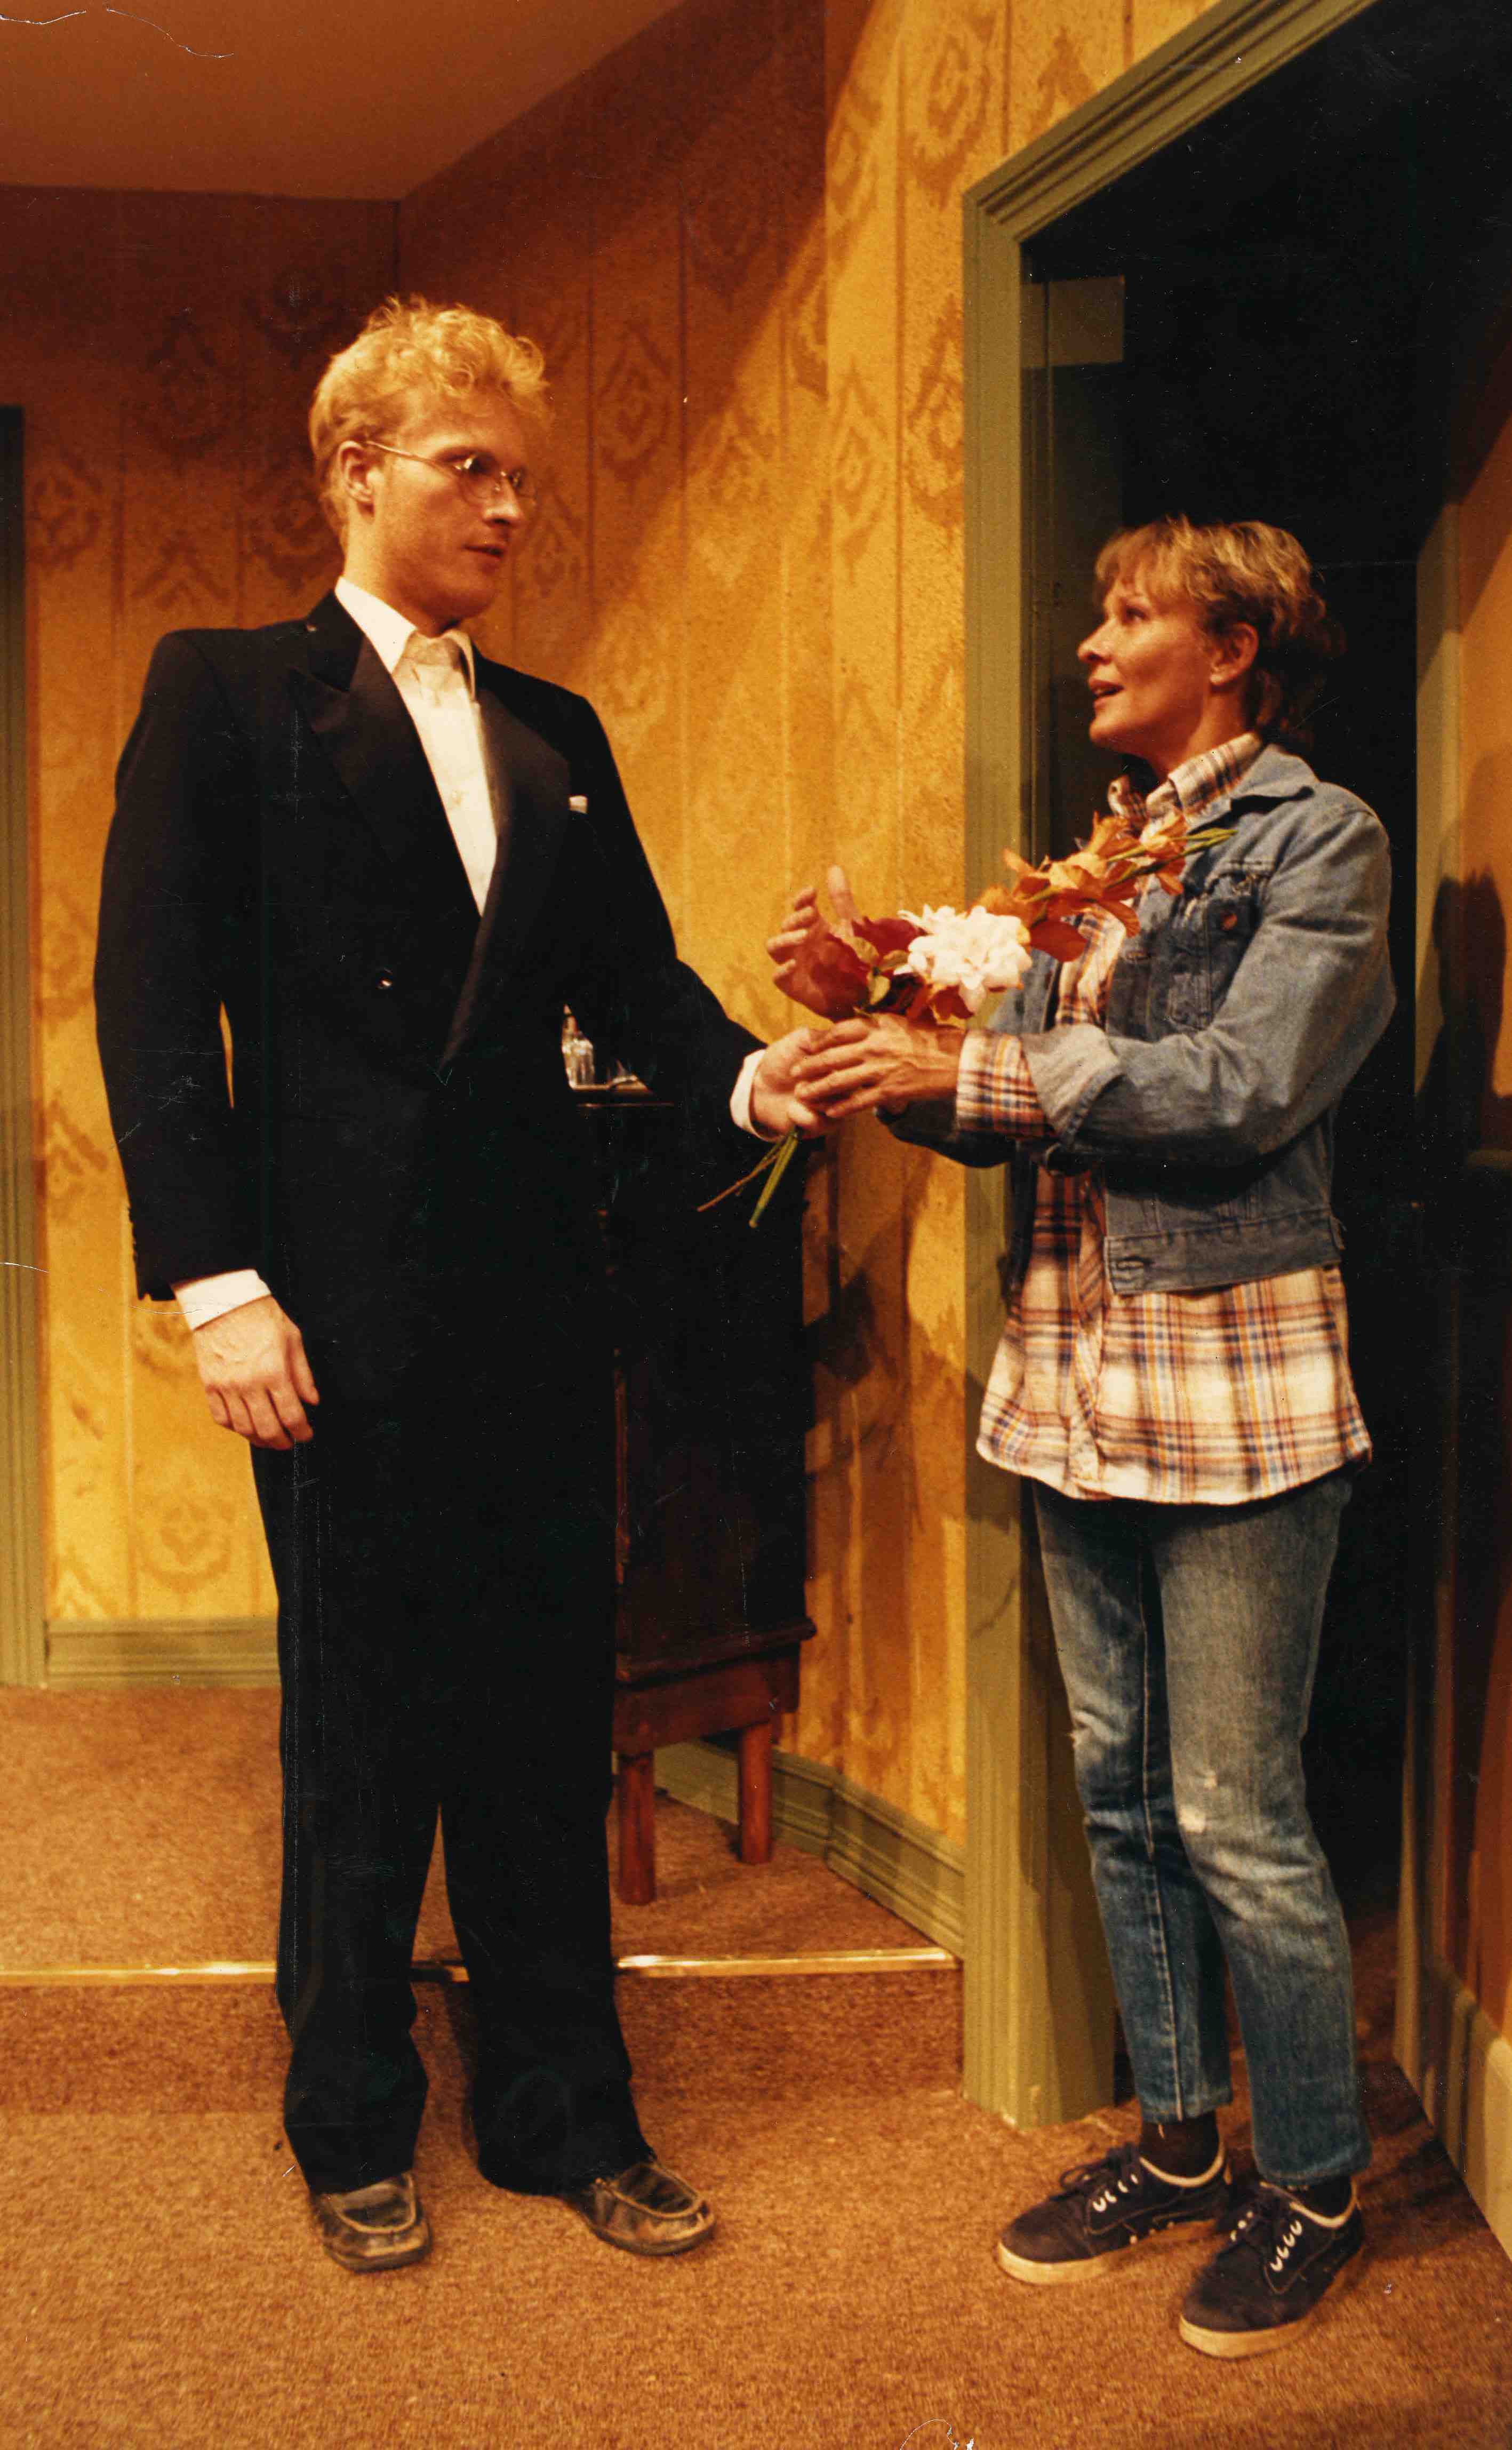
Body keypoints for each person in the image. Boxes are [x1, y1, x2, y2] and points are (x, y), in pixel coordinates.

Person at [94, 297, 820, 2275]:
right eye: (466, 467)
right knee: (361, 1723)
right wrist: (216, 1285)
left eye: (522, 478)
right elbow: (153, 1009)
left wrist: (751, 1075)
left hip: (535, 1298)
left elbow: (640, 985)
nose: (508, 508)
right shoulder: (226, 691)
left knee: (538, 1712)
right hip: (329, 1308)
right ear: (357, 470)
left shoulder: (556, 729)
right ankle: (348, 2115)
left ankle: (565, 2108)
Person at [774, 517, 1393, 2359]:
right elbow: (1013, 1108)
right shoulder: (1102, 858)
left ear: (1234, 644)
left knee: (1233, 1811)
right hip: (1073, 1376)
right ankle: (1180, 2144)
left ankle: (1314, 2180)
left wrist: (969, 1063)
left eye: (1131, 615)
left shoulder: (1317, 839)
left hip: (1234, 1377)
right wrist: (870, 1020)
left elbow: (1242, 1087)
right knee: (1117, 1792)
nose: (1092, 643)